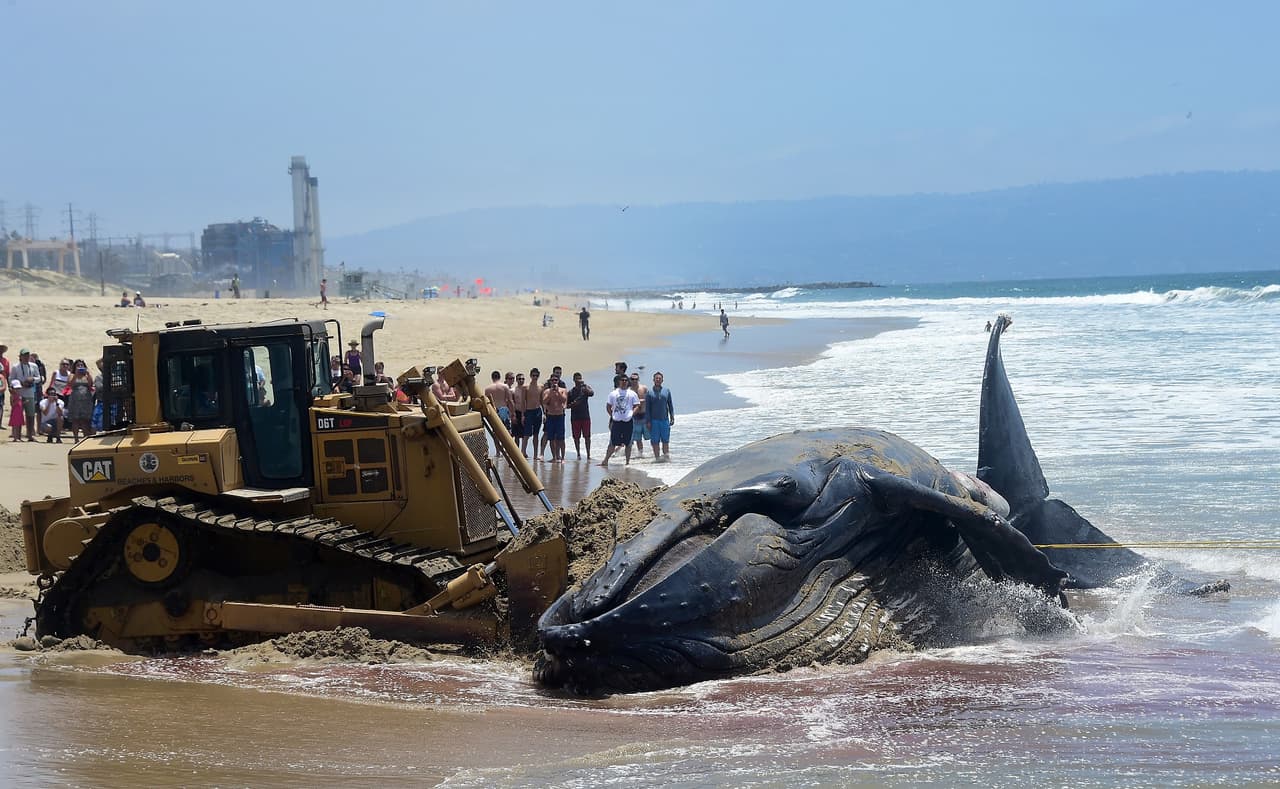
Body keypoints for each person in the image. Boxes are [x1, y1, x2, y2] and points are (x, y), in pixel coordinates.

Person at [599, 374, 640, 468]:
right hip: (617, 421)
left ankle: (627, 462)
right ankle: (605, 460)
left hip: (628, 421)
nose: (624, 382)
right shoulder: (613, 393)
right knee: (613, 442)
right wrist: (612, 415)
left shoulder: (632, 393)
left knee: (628, 443)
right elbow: (608, 406)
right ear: (619, 382)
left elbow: (637, 405)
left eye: (626, 380)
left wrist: (632, 414)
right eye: (622, 380)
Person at [10, 349, 42, 442]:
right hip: (19, 394)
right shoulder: (15, 367)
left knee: (31, 415)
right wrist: (20, 383)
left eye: (27, 355)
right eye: (24, 355)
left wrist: (32, 379)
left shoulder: (34, 366)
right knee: (18, 415)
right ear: (20, 356)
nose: (26, 357)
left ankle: (30, 434)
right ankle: (17, 435)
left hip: (30, 393)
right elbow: (11, 379)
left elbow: (39, 378)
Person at [645, 371, 675, 461]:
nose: (658, 380)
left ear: (662, 380)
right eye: (656, 378)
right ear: (653, 380)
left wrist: (672, 416)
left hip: (664, 420)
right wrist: (648, 421)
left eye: (659, 378)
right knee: (655, 441)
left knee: (665, 440)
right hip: (654, 421)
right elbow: (647, 408)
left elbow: (670, 404)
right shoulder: (649, 393)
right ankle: (657, 458)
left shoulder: (667, 391)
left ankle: (666, 457)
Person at [540, 373, 568, 463]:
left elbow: (564, 400)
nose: (554, 382)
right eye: (552, 380)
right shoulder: (547, 391)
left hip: (560, 416)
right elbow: (544, 401)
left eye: (556, 380)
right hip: (550, 416)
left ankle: (563, 457)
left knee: (561, 438)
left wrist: (558, 392)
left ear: (558, 381)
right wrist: (551, 393)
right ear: (550, 381)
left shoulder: (563, 390)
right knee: (551, 438)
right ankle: (554, 457)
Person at [567, 372, 594, 460]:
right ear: (574, 380)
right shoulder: (571, 392)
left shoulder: (585, 389)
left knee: (587, 436)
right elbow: (566, 405)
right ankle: (578, 453)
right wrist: (573, 404)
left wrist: (585, 386)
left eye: (580, 378)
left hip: (585, 416)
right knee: (576, 437)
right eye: (577, 379)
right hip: (575, 417)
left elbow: (592, 393)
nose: (578, 380)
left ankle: (588, 454)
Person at [66, 359, 95, 442]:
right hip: (75, 399)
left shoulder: (86, 375)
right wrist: (76, 374)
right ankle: (76, 438)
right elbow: (70, 384)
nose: (80, 367)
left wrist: (88, 374)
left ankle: (86, 437)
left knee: (85, 419)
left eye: (82, 365)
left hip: (86, 399)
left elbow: (91, 384)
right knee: (75, 419)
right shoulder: (72, 375)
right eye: (78, 365)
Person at [521, 368, 543, 458]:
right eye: (533, 375)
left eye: (536, 376)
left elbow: (542, 400)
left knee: (536, 434)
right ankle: (523, 452)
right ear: (530, 376)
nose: (535, 377)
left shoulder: (541, 386)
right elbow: (523, 401)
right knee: (526, 434)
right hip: (529, 411)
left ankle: (535, 455)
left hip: (538, 411)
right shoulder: (525, 387)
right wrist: (523, 415)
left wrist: (544, 413)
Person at [630, 372, 649, 458]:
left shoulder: (643, 388)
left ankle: (656, 453)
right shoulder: (629, 390)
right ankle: (640, 454)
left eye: (636, 379)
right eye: (632, 379)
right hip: (635, 416)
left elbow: (649, 399)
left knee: (650, 435)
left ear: (638, 379)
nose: (634, 381)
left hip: (645, 415)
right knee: (638, 438)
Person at [511, 372, 527, 450]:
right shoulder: (513, 390)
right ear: (516, 380)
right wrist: (513, 415)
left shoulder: (527, 389)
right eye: (519, 379)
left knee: (525, 434)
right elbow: (512, 403)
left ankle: (523, 451)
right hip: (517, 412)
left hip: (526, 413)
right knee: (516, 435)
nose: (521, 380)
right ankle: (517, 450)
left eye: (523, 379)